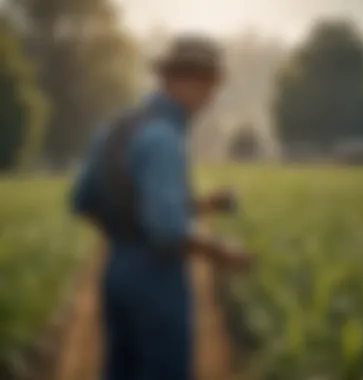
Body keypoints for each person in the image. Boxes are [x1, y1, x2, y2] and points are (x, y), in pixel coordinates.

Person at [70, 34, 252, 380]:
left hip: (116, 272)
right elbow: (166, 231)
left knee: (120, 369)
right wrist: (222, 252)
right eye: (206, 83)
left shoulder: (114, 128)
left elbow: (83, 201)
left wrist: (201, 205)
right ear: (179, 80)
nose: (210, 96)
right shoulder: (164, 138)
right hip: (156, 281)